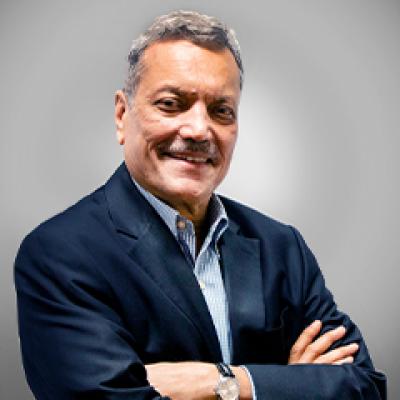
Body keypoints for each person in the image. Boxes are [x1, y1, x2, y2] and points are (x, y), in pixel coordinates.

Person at [15, 10, 386, 400]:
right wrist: (288, 383)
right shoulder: (60, 254)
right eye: (171, 103)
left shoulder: (282, 248)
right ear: (123, 115)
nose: (198, 130)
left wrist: (228, 382)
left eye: (221, 110)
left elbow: (365, 387)